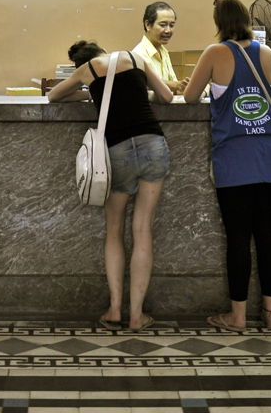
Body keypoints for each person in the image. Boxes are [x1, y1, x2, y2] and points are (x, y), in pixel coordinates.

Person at [48, 40, 173, 332]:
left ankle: (115, 309)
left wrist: (89, 92)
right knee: (143, 230)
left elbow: (54, 96)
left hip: (115, 153)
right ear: (104, 50)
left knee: (114, 230)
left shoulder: (87, 70)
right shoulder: (136, 58)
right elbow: (166, 96)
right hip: (152, 144)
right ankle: (137, 316)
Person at [183, 0, 271, 332]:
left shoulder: (215, 53)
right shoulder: (266, 52)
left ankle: (237, 316)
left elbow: (188, 96)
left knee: (239, 238)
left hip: (234, 157)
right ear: (246, 18)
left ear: (219, 21)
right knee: (268, 235)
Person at [132, 1, 188, 94]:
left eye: (172, 25)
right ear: (148, 25)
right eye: (163, 25)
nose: (168, 30)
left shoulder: (163, 52)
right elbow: (145, 83)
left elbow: (175, 89)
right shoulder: (138, 55)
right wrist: (176, 85)